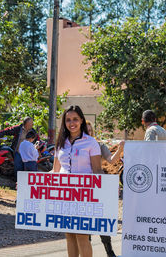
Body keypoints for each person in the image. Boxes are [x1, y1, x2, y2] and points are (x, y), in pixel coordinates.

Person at [53, 105, 102, 257]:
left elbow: (97, 170)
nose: (71, 123)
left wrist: (107, 191)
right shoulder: (61, 142)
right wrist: (29, 184)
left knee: (81, 234)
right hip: (64, 194)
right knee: (69, 234)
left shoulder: (91, 142)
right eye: (68, 120)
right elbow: (55, 170)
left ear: (81, 120)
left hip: (83, 195)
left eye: (75, 119)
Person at [86, 121, 124, 257]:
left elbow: (111, 160)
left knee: (101, 218)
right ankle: (86, 251)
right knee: (85, 220)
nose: (88, 132)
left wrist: (120, 149)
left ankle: (109, 251)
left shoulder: (99, 145)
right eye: (86, 130)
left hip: (98, 186)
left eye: (90, 130)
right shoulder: (76, 146)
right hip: (82, 187)